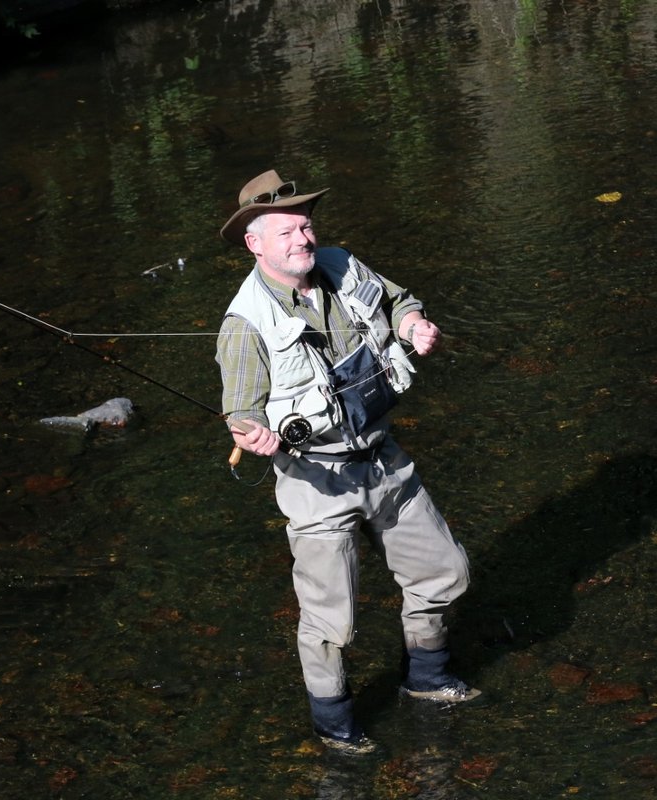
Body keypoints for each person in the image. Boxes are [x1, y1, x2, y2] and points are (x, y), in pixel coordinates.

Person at [216, 169, 479, 754]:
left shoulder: (340, 264)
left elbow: (398, 300)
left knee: (446, 574)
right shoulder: (243, 325)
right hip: (316, 480)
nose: (302, 240)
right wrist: (251, 432)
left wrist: (413, 325)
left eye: (306, 226)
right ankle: (335, 727)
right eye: (286, 232)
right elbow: (240, 410)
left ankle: (427, 680)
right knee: (332, 621)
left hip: (382, 458)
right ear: (255, 244)